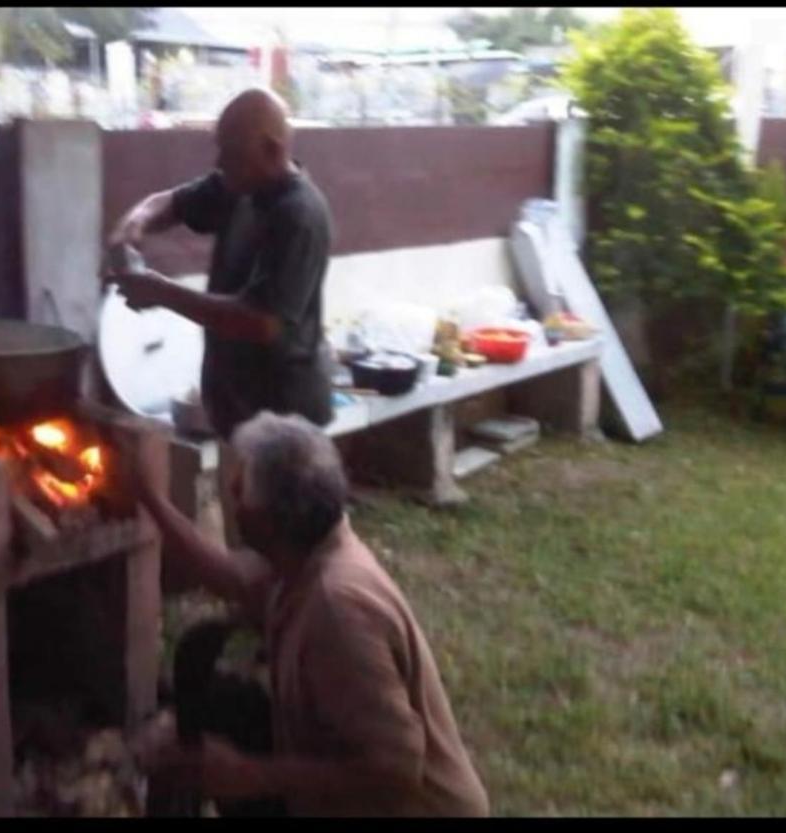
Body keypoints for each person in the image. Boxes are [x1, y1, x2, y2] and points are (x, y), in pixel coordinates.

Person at [127, 411, 490, 817]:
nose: (231, 490)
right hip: (353, 780)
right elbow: (230, 576)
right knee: (213, 687)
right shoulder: (307, 550)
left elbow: (394, 771)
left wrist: (248, 774)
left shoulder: (338, 610)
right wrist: (150, 497)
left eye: (241, 485)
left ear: (271, 520)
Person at [104, 87, 334, 441]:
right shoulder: (239, 186)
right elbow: (171, 203)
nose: (219, 163)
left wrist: (161, 292)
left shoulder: (298, 215)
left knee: (274, 497)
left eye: (231, 152)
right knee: (241, 496)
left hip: (286, 417)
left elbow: (262, 322)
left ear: (272, 150)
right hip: (237, 408)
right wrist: (134, 225)